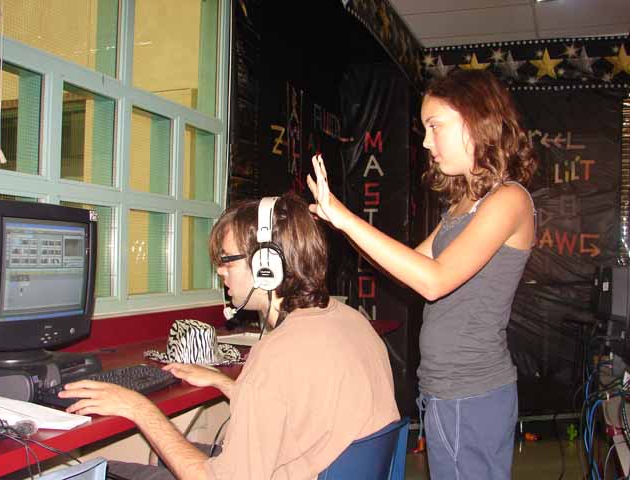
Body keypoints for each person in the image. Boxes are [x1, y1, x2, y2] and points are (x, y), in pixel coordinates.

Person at [59, 193, 399, 480]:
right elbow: (293, 407)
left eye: (227, 260)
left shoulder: (277, 353)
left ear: (267, 265)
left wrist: (138, 408)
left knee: (102, 471)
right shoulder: (352, 322)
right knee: (164, 455)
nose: (220, 271)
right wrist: (227, 384)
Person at [306, 69, 537, 479]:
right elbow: (409, 268)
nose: (427, 142)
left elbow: (434, 280)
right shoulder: (463, 205)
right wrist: (339, 224)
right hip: (444, 389)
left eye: (435, 126)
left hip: (471, 391)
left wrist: (344, 218)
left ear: (475, 121)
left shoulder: (509, 199)